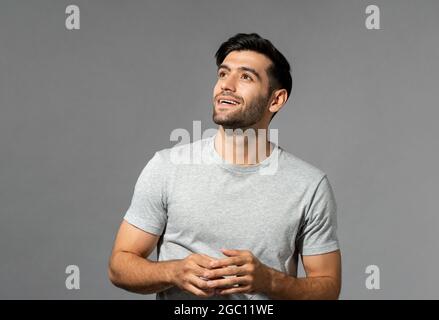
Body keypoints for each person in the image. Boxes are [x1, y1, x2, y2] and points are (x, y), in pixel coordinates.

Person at [108, 33, 341, 300]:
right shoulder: (166, 167)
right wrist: (173, 272)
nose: (226, 85)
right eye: (222, 74)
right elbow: (119, 266)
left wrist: (270, 281)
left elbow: (328, 289)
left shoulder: (309, 186)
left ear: (275, 100)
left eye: (245, 77)